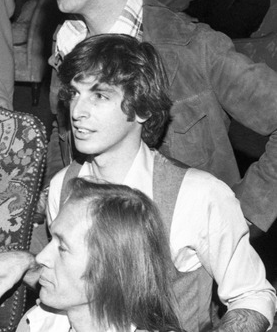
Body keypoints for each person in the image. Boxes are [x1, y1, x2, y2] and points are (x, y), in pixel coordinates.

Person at [37, 0, 277, 237]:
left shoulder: (192, 46)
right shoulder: (68, 41)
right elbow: (62, 138)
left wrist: (246, 216)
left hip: (177, 269)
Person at [50, 34, 273, 331]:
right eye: (75, 94)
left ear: (142, 108)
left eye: (99, 96)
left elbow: (253, 296)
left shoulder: (198, 195)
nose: (77, 112)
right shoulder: (62, 186)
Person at [0, 178, 183, 332]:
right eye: (51, 240)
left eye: (62, 248)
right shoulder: (38, 322)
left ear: (110, 270)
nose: (41, 258)